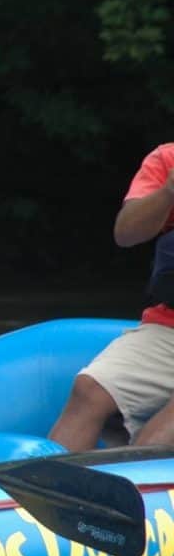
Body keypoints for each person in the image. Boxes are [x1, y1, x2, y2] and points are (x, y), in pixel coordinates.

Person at [49, 143, 174, 450]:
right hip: (168, 325)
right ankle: (41, 495)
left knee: (162, 433)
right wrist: (169, 191)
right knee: (89, 389)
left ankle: (140, 490)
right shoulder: (167, 157)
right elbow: (126, 233)